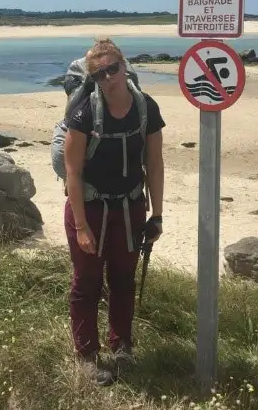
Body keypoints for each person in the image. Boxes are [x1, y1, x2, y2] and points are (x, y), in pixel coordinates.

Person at [64, 38, 165, 385]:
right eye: (100, 73)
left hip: (130, 208)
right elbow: (73, 173)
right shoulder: (83, 114)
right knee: (86, 283)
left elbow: (154, 162)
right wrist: (80, 226)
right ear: (93, 79)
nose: (109, 78)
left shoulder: (145, 108)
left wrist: (157, 214)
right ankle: (88, 357)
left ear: (125, 66)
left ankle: (122, 348)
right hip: (89, 208)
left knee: (123, 280)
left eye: (113, 69)